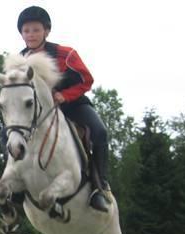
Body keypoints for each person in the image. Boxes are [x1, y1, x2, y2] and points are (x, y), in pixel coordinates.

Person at [15, 5, 111, 212]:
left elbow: (87, 80)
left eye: (36, 30)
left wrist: (64, 96)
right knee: (9, 134)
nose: (30, 34)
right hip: (40, 114)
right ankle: (18, 186)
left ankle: (98, 187)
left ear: (46, 31)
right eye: (26, 30)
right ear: (21, 33)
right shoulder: (19, 59)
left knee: (100, 132)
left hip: (72, 106)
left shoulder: (65, 54)